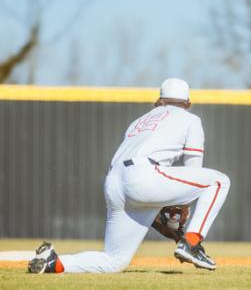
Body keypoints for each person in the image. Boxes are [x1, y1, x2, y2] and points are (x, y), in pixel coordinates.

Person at [28, 78, 231, 274]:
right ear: (188, 103)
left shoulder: (138, 121)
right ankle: (192, 242)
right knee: (219, 181)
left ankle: (54, 262)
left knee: (114, 260)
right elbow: (193, 170)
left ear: (159, 101)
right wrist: (183, 207)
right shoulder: (190, 118)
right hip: (143, 175)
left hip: (113, 181)